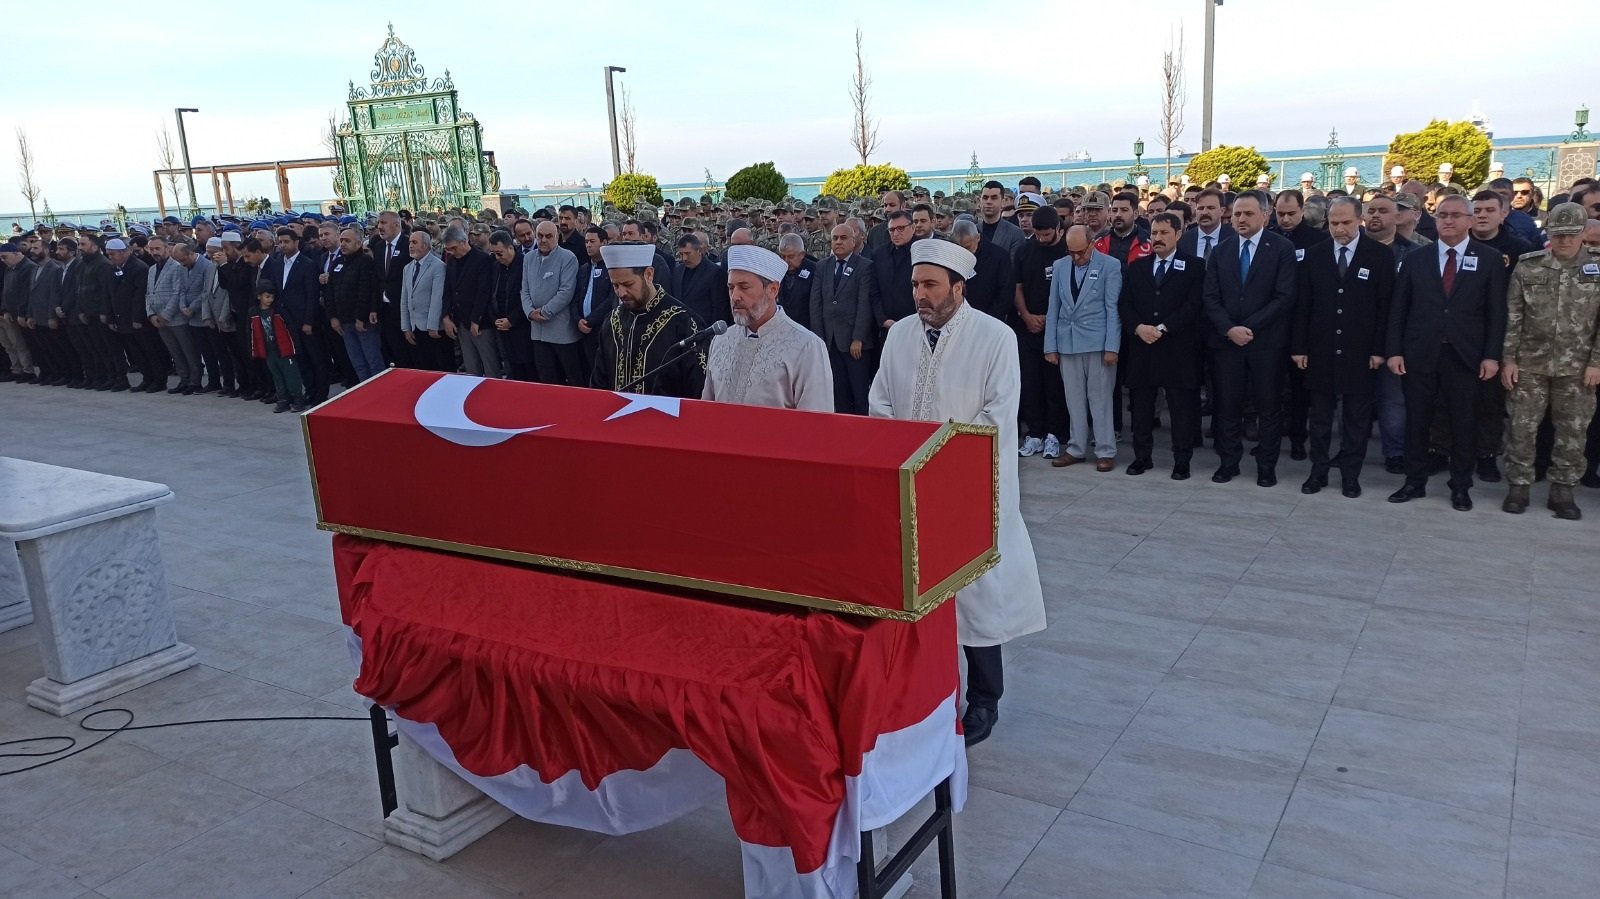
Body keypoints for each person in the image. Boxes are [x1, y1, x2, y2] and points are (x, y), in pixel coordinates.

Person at [868, 238, 1045, 748]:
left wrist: (939, 466)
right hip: (907, 489)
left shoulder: (995, 338)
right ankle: (921, 695)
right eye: (915, 284)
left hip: (969, 491)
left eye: (930, 285)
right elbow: (882, 400)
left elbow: (996, 417)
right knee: (912, 595)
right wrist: (901, 461)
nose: (920, 295)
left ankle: (985, 699)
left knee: (973, 594)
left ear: (958, 288)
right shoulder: (901, 334)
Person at [1386, 194, 1508, 511]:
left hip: (1466, 356)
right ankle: (1414, 481)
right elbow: (1399, 309)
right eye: (1442, 215)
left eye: (1455, 215)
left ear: (1469, 220)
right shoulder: (1416, 258)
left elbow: (1497, 313)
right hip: (1420, 352)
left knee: (1464, 423)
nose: (1448, 221)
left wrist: (1491, 355)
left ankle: (1460, 486)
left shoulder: (1490, 258)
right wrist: (1395, 350)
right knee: (1417, 420)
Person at [1500, 203, 1600, 519]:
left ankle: (1563, 491)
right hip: (1529, 363)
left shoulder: (1596, 269)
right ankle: (1518, 487)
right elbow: (1514, 316)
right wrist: (1509, 359)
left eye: (1571, 235)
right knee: (1521, 427)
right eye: (1558, 234)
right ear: (1549, 233)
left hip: (1578, 366)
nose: (1565, 241)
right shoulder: (1528, 266)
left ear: (1584, 233)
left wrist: (1596, 362)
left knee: (1573, 431)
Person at [1290, 197, 1394, 497]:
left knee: (1356, 420)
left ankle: (1351, 474)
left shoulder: (1378, 256)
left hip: (1360, 351)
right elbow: (1303, 305)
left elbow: (1385, 306)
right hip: (1321, 349)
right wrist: (1300, 347)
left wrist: (1379, 350)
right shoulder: (1315, 254)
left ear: (1359, 220)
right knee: (1320, 418)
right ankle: (1318, 471)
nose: (1339, 229)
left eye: (1346, 222)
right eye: (1334, 223)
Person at [1202, 189, 1299, 486]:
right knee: (1227, 406)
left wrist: (1249, 327)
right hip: (1228, 343)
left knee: (1268, 407)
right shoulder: (1221, 251)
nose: (1240, 219)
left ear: (1265, 216)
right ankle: (1228, 463)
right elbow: (1210, 296)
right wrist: (1230, 329)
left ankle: (1266, 466)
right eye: (1237, 214)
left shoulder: (1281, 248)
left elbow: (1284, 297)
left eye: (1248, 214)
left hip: (1266, 344)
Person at [1119, 212, 1204, 479]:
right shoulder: (1138, 267)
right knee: (1141, 407)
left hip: (1177, 349)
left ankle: (1182, 460)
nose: (1157, 238)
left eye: (1164, 233)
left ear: (1178, 234)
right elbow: (1125, 304)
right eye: (1154, 233)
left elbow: (1193, 306)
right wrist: (1138, 327)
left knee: (1181, 409)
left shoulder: (1194, 266)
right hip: (1143, 347)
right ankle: (1142, 457)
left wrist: (1164, 327)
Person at [702, 244, 832, 411]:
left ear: (772, 290)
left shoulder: (807, 346)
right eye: (731, 288)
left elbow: (817, 423)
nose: (735, 297)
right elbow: (707, 411)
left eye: (744, 287)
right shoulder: (721, 340)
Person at [1045, 226, 1122, 471]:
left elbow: (1113, 309)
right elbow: (1053, 307)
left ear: (1092, 244)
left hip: (1097, 340)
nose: (1076, 257)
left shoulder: (1110, 265)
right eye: (1071, 252)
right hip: (1068, 340)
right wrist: (1050, 345)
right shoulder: (1060, 266)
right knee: (1073, 399)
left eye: (1080, 252)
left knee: (1100, 399)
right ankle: (1076, 447)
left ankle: (1105, 449)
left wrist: (1112, 346)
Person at [590, 241, 706, 398]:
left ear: (649, 274)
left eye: (628, 284)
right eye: (615, 285)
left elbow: (698, 390)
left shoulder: (684, 322)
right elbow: (599, 383)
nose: (621, 293)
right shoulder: (612, 321)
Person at [808, 224, 875, 414]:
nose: (838, 242)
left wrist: (858, 338)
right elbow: (816, 304)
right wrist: (819, 339)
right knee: (838, 393)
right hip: (830, 341)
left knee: (860, 394)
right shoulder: (822, 266)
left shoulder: (864, 266)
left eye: (843, 238)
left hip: (855, 344)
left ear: (854, 241)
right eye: (835, 238)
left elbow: (864, 305)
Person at [522, 220, 583, 386]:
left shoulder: (568, 258)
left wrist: (544, 313)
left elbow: (566, 292)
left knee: (572, 376)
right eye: (540, 236)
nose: (543, 240)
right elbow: (524, 290)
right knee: (546, 377)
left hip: (561, 331)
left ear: (557, 237)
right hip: (537, 331)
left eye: (549, 236)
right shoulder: (528, 258)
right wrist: (529, 312)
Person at [440, 224, 500, 378]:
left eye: (453, 248)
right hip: (461, 321)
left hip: (480, 322)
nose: (451, 252)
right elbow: (448, 290)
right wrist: (446, 316)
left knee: (490, 364)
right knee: (471, 366)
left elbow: (483, 292)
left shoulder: (482, 259)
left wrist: (476, 320)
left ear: (463, 241)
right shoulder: (452, 261)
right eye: (448, 250)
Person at [326, 227, 383, 382]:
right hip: (344, 322)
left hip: (362, 322)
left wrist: (360, 317)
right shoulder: (337, 262)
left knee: (373, 361)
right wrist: (332, 317)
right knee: (358, 363)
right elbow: (330, 292)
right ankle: (366, 394)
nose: (343, 244)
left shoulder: (365, 261)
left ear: (358, 244)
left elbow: (366, 290)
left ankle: (381, 394)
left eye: (347, 241)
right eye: (342, 240)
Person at [247, 280, 308, 413]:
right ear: (259, 296)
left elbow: (290, 328)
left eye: (272, 297)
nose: (270, 300)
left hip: (284, 349)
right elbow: (250, 332)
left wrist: (295, 347)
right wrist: (253, 349)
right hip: (268, 351)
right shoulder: (253, 312)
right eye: (267, 296)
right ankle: (283, 399)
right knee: (277, 376)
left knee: (292, 375)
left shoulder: (279, 310)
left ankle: (298, 398)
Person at [399, 230, 451, 371]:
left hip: (432, 328)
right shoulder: (407, 268)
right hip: (414, 327)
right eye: (410, 242)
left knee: (440, 368)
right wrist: (406, 327)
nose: (410, 246)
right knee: (422, 368)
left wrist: (432, 326)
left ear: (426, 245)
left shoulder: (438, 266)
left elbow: (437, 298)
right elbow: (404, 299)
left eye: (414, 242)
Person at [575, 225, 616, 376]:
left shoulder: (612, 268)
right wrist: (578, 320)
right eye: (586, 241)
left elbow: (611, 298)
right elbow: (575, 298)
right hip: (583, 330)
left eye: (592, 241)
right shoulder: (583, 269)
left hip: (603, 328)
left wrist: (591, 320)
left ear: (604, 242)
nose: (588, 245)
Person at [669, 233, 728, 326]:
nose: (684, 258)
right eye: (681, 254)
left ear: (699, 251)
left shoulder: (714, 272)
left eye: (688, 253)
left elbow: (718, 307)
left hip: (704, 329)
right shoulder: (677, 271)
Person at [775, 233, 816, 331]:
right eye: (782, 256)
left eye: (791, 256)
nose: (786, 261)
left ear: (802, 254)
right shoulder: (777, 270)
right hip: (783, 327)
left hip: (807, 328)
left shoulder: (815, 270)